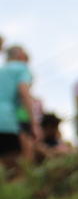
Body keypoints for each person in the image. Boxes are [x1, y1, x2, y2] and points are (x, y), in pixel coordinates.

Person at [0, 46, 38, 175]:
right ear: (21, 55)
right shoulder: (22, 68)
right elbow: (23, 91)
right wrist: (34, 124)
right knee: (17, 165)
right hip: (7, 121)